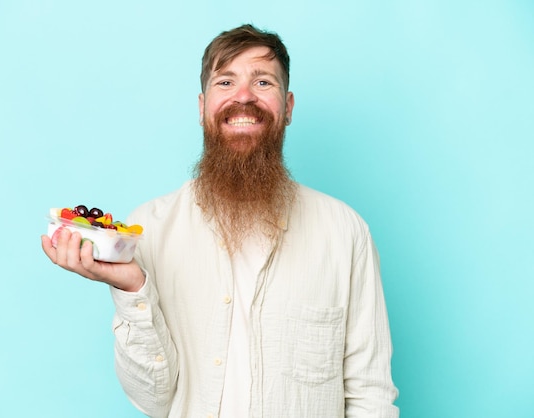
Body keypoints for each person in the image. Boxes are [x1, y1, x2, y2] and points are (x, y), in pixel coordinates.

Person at [41, 24, 399, 418]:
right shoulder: (150, 228)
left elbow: (371, 395)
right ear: (201, 107)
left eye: (263, 82)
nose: (243, 96)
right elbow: (153, 400)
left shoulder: (345, 232)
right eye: (225, 81)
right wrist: (132, 288)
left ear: (289, 107)